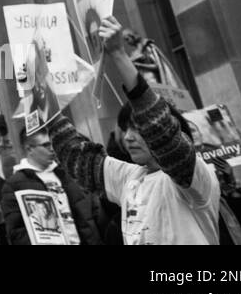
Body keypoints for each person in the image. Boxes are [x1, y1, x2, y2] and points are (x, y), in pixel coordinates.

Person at [47, 17, 219, 244]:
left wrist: (118, 54)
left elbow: (159, 128)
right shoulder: (130, 178)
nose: (128, 138)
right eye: (125, 129)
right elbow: (78, 156)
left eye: (139, 129)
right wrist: (42, 96)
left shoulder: (192, 175)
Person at [2, 127, 102, 245]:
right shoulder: (14, 185)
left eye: (52, 144)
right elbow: (16, 232)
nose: (52, 149)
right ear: (29, 149)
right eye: (45, 145)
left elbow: (88, 214)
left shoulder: (65, 173)